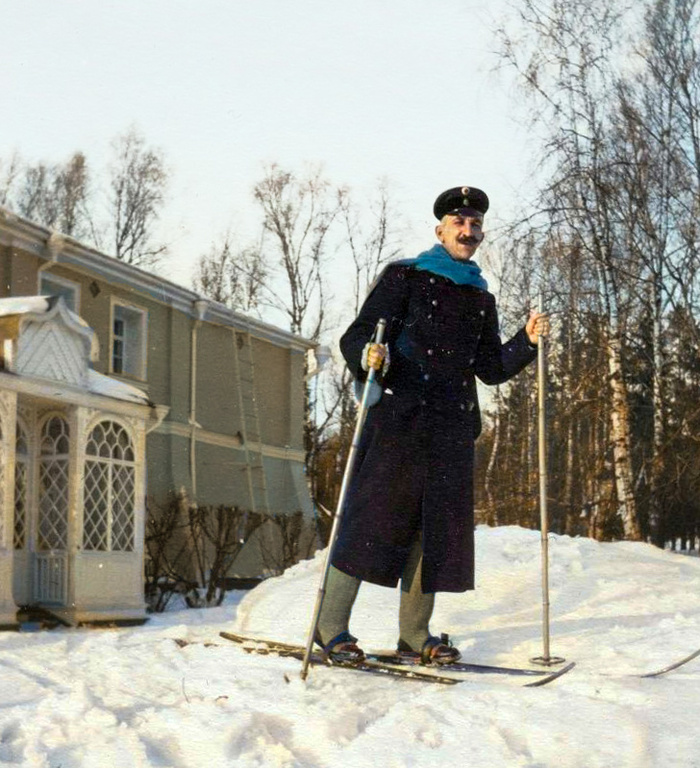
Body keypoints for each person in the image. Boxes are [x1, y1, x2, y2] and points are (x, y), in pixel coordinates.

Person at [315, 186, 549, 665]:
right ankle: (330, 626)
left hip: (451, 430)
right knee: (369, 521)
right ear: (440, 229)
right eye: (459, 222)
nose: (469, 230)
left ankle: (415, 634)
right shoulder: (406, 276)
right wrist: (369, 355)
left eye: (476, 224)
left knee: (433, 532)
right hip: (400, 421)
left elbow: (489, 368)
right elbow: (359, 334)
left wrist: (524, 342)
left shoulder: (480, 296)